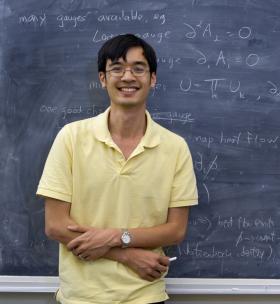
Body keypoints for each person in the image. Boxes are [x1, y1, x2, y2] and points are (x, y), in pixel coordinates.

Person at [36, 34, 198, 304]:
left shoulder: (175, 147)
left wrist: (114, 236)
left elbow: (176, 230)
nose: (128, 77)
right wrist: (127, 254)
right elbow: (55, 226)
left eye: (138, 68)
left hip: (146, 295)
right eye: (117, 68)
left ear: (152, 78)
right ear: (102, 78)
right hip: (80, 296)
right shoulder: (72, 137)